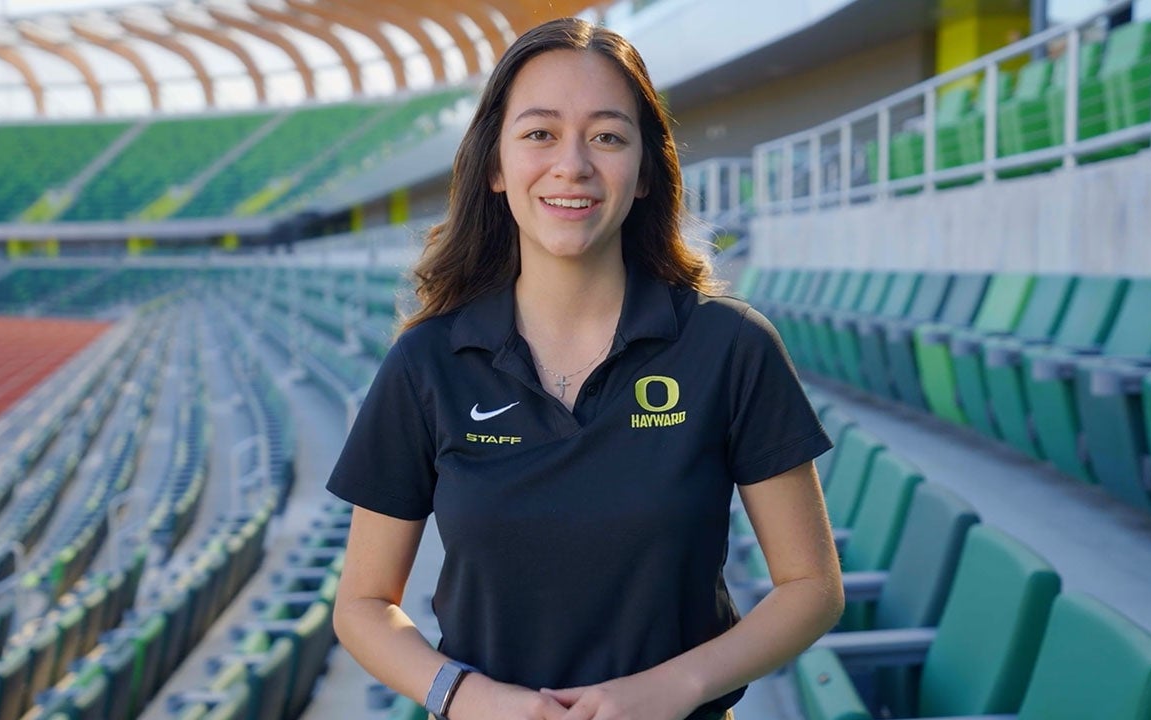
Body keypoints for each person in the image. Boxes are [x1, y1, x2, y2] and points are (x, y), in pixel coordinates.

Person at [328, 17, 843, 720]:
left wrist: (675, 688)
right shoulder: (427, 362)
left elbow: (812, 585)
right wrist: (469, 698)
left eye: (607, 135)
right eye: (540, 133)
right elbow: (361, 604)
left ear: (642, 174)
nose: (572, 164)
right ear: (496, 167)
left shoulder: (731, 347)